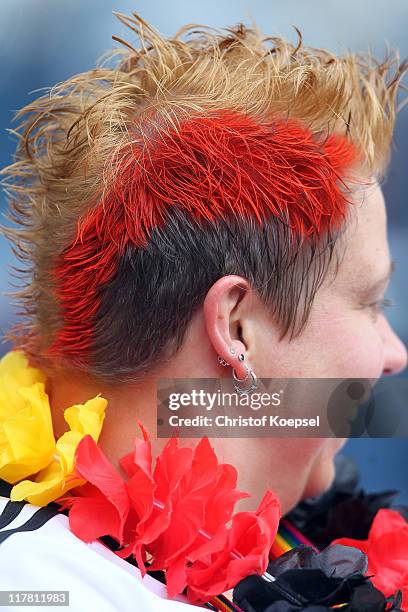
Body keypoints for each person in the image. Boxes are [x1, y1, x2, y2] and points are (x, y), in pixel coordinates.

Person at [0, 11, 407, 612]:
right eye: (372, 303)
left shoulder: (296, 545)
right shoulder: (36, 589)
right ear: (236, 328)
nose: (395, 354)